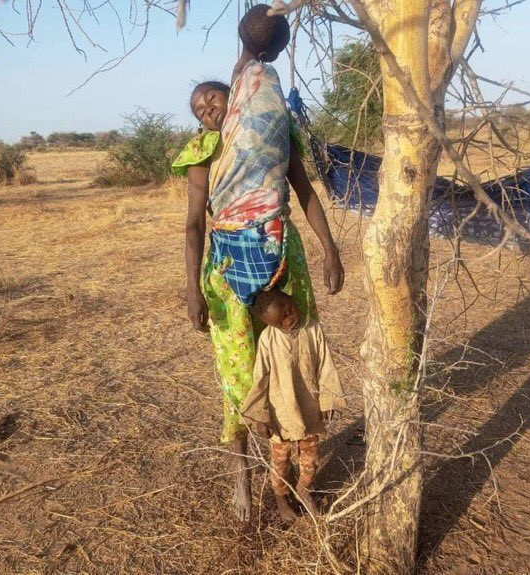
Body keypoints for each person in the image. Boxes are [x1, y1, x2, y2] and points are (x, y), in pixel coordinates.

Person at [184, 5, 344, 523]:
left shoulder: (272, 129)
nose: (207, 107)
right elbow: (193, 225)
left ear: (235, 96)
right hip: (227, 267)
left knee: (292, 362)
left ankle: (292, 477)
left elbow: (305, 192)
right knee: (237, 373)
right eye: (198, 107)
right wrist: (191, 288)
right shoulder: (203, 151)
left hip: (281, 256)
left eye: (213, 96)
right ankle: (243, 478)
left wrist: (330, 249)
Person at [240, 288, 346, 521]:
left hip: (308, 407)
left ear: (291, 299)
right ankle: (281, 497)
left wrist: (328, 399)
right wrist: (261, 416)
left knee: (310, 458)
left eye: (289, 311)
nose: (289, 320)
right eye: (280, 322)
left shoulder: (313, 329)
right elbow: (260, 378)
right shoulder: (267, 339)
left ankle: (304, 490)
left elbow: (325, 364)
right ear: (271, 324)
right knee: (280, 461)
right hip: (281, 412)